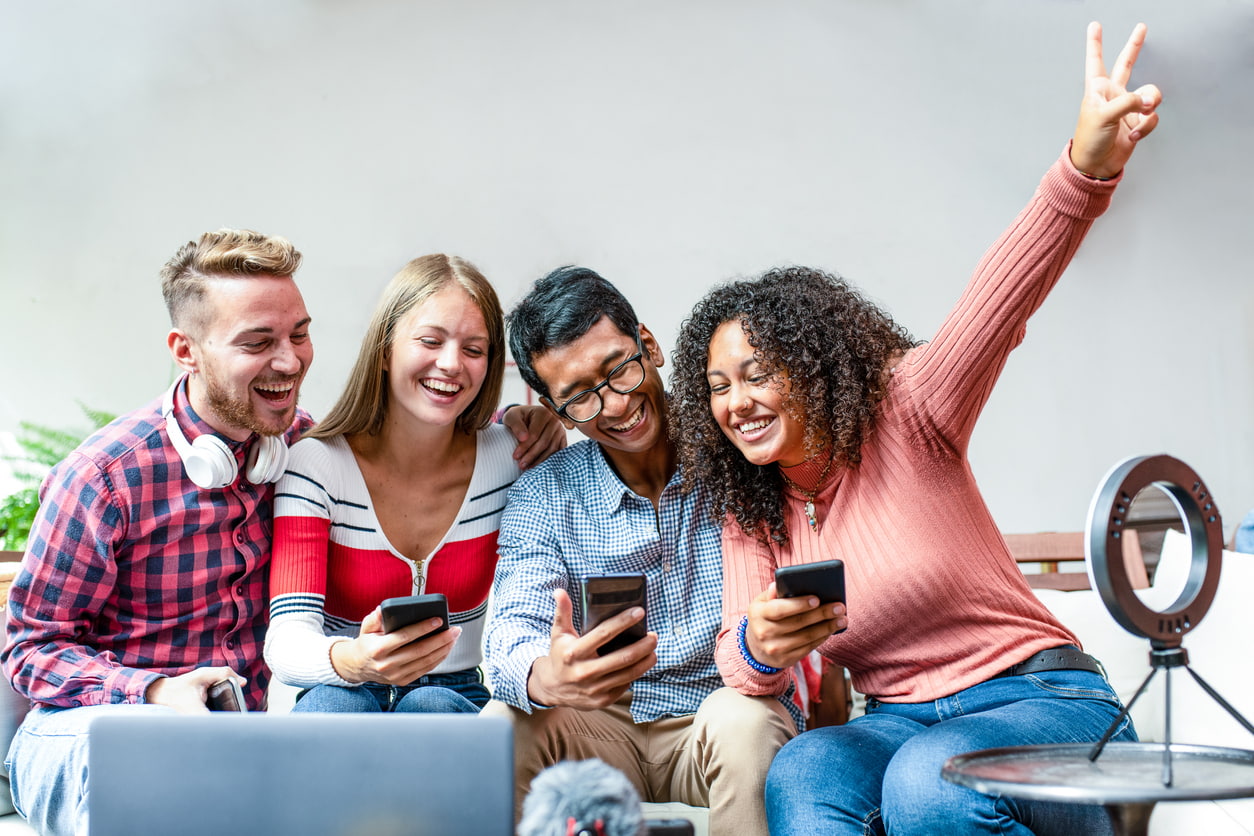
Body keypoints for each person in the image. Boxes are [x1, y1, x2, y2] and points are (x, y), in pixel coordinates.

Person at [668, 22, 1161, 836]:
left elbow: (1001, 297)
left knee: (928, 785)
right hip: (900, 722)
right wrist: (760, 640)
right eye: (719, 388)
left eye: (759, 374)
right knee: (806, 769)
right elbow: (738, 663)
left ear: (815, 366)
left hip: (1042, 700)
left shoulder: (910, 408)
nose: (737, 403)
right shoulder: (752, 504)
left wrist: (1084, 170)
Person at [0, 229, 315, 836]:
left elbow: (421, 426)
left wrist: (520, 422)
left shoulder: (305, 446)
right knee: (154, 761)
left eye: (299, 334)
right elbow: (29, 650)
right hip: (94, 727)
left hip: (240, 738)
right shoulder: (103, 479)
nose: (290, 360)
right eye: (258, 341)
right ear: (186, 349)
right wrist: (151, 693)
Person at [482, 269, 798, 836]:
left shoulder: (739, 447)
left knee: (744, 725)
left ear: (648, 345)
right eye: (579, 397)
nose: (614, 405)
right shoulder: (546, 492)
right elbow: (511, 627)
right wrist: (544, 674)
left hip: (722, 711)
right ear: (554, 409)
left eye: (619, 369)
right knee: (503, 723)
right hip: (602, 725)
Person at [264, 254, 564, 713]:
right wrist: (355, 659)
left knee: (432, 707)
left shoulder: (512, 458)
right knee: (333, 709)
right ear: (384, 350)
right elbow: (286, 641)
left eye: (474, 349)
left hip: (455, 693)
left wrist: (548, 421)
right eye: (430, 341)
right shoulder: (318, 465)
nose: (450, 364)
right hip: (338, 686)